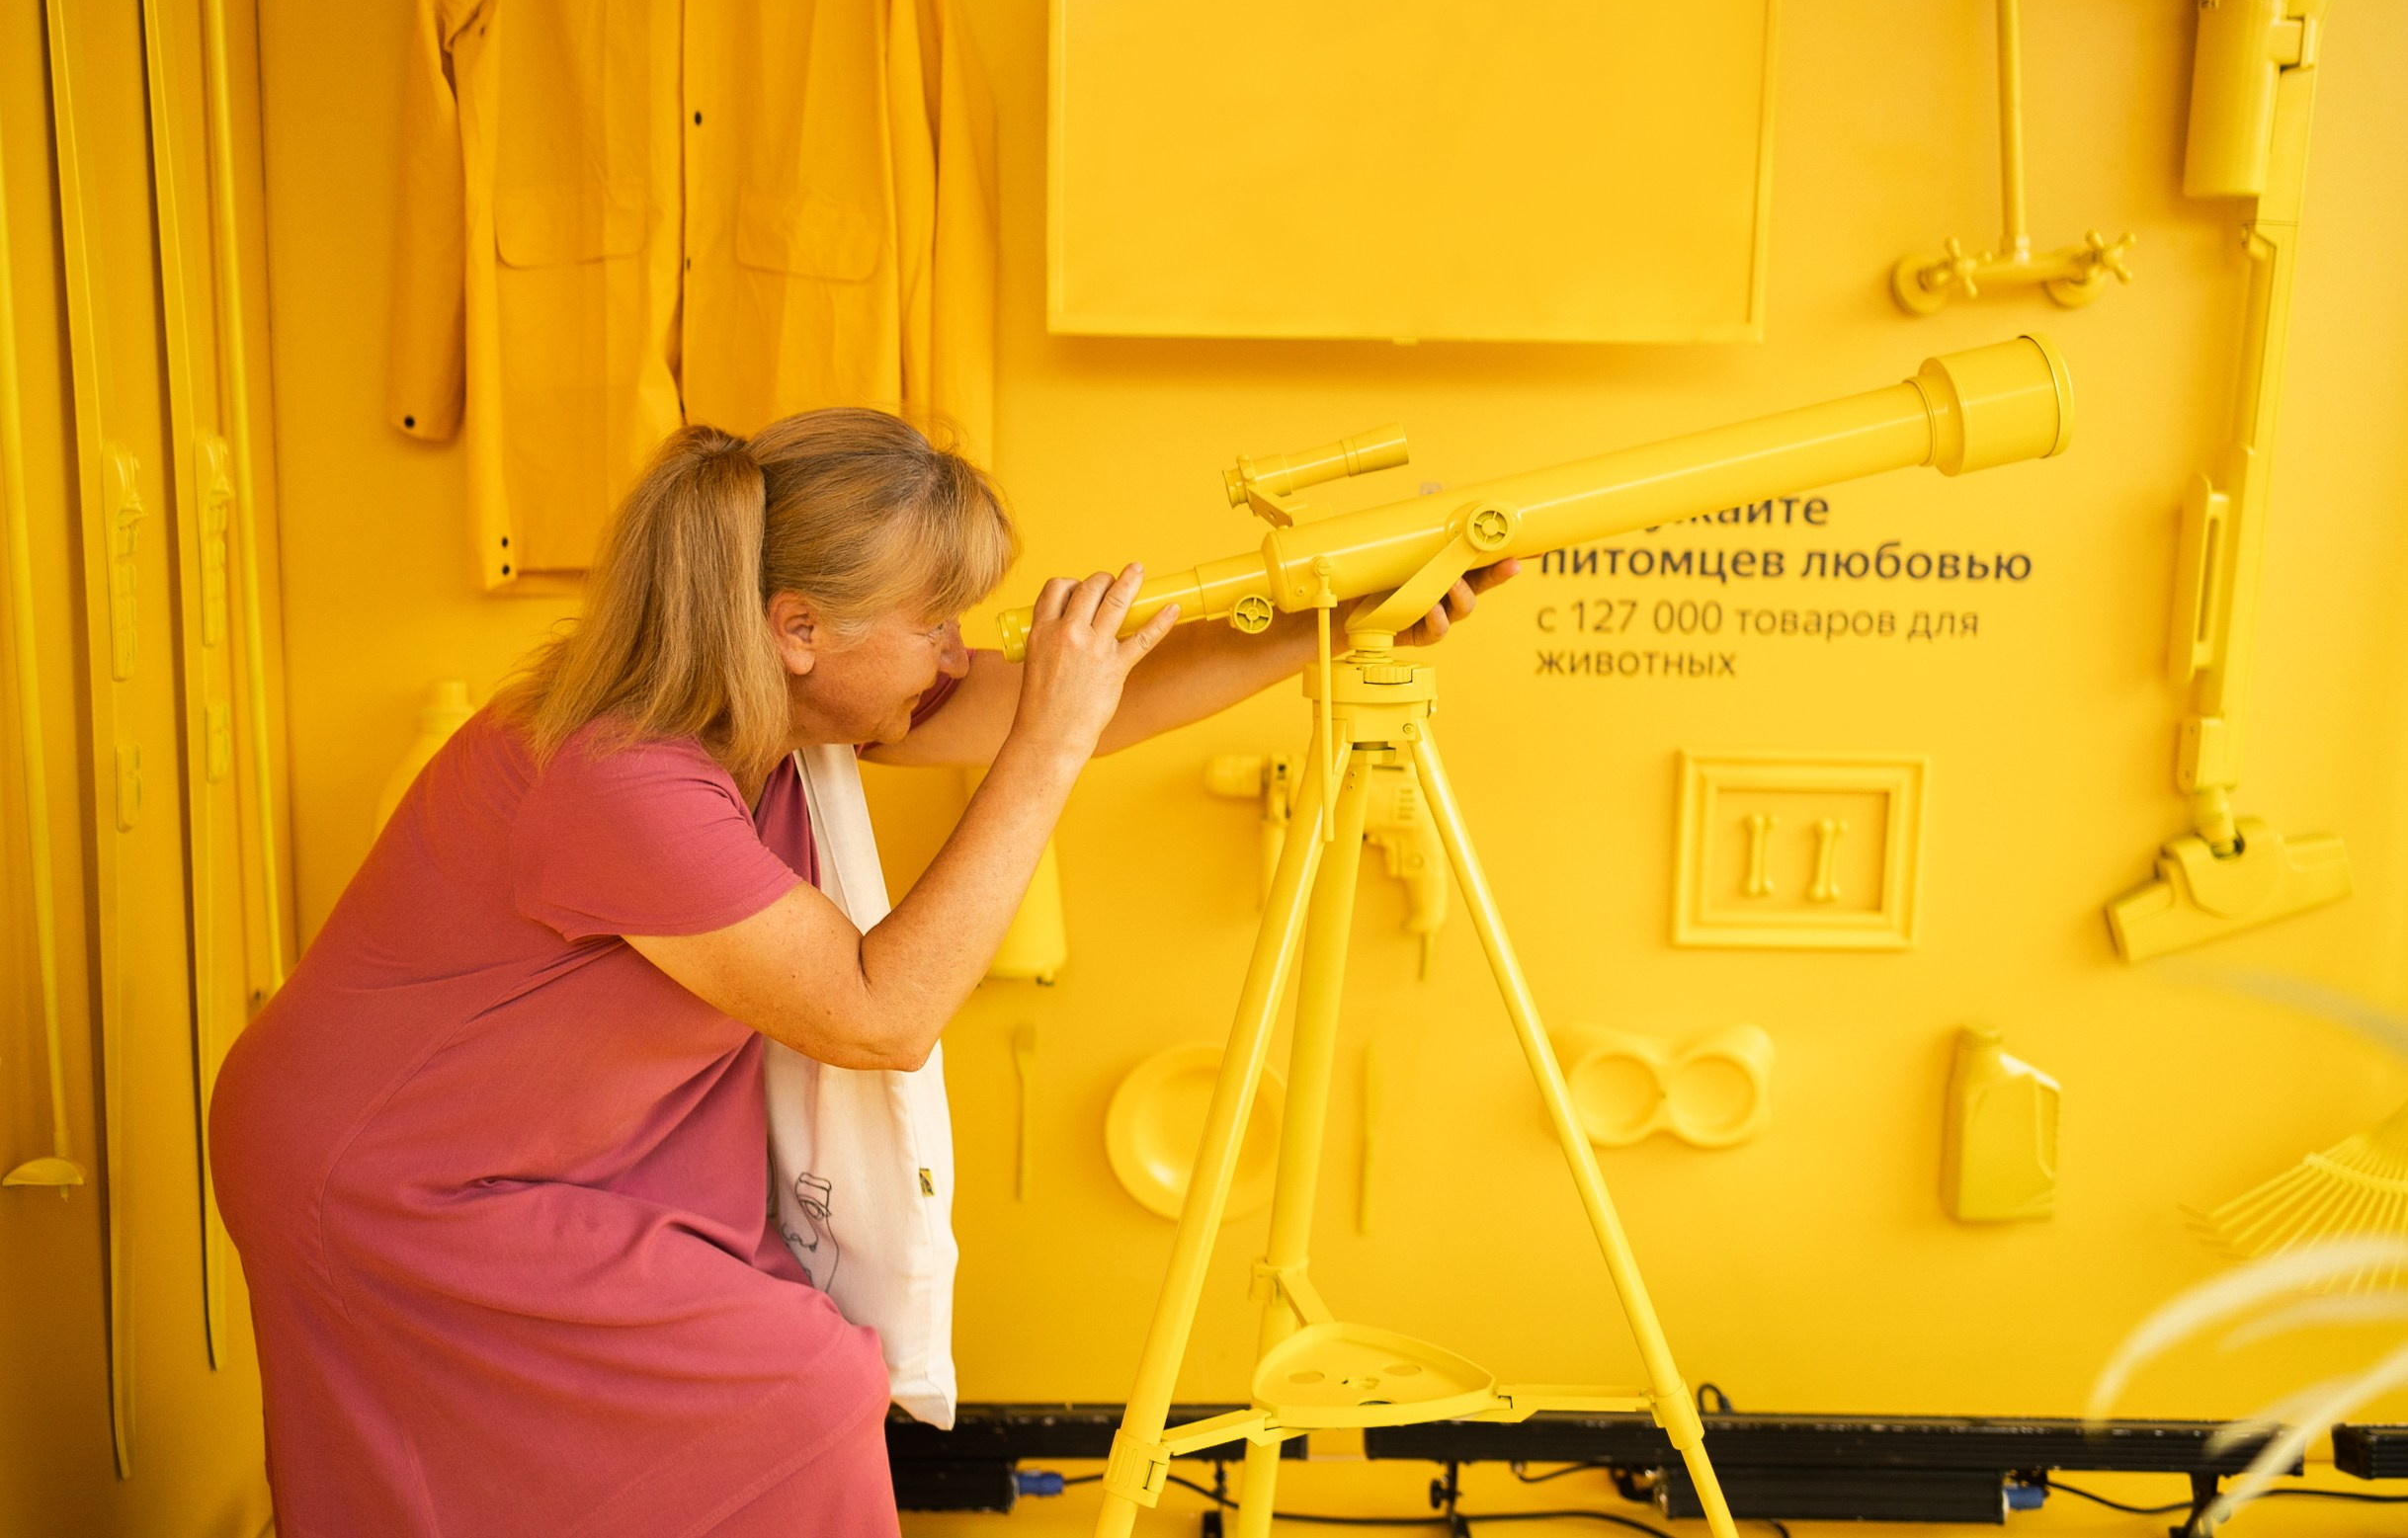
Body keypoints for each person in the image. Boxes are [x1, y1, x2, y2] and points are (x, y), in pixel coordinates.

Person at [210, 409, 1512, 1537]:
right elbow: (881, 1014)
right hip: (395, 1175)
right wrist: (1045, 750)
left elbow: (1076, 697)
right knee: (791, 1387)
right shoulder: (617, 776)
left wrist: (1337, 617)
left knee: (703, 1416)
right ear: (798, 628)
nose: (956, 652)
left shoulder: (769, 704)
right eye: (935, 622)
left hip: (542, 1139)